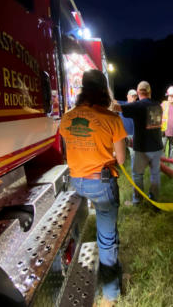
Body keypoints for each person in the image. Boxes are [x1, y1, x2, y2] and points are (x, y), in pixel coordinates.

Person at [59, 69, 127, 307]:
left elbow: (71, 150)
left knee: (107, 234)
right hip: (102, 184)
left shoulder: (67, 118)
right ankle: (110, 295)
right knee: (106, 239)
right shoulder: (111, 119)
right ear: (103, 91)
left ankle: (112, 270)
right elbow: (121, 159)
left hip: (78, 182)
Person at [116, 81, 163, 205]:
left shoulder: (137, 106)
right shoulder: (158, 105)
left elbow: (117, 108)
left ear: (138, 92)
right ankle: (154, 200)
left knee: (137, 175)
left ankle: (137, 201)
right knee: (155, 175)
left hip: (142, 148)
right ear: (150, 92)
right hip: (157, 147)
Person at [118, 89, 138, 165]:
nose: (133, 98)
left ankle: (134, 174)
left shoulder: (138, 106)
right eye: (132, 96)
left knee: (133, 155)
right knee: (118, 154)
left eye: (135, 96)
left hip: (133, 136)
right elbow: (111, 102)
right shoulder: (121, 104)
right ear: (127, 96)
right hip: (121, 136)